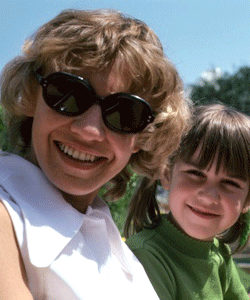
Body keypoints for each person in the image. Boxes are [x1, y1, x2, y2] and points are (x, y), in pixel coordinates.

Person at [0, 8, 190, 300]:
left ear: (143, 136)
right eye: (68, 94)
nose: (89, 130)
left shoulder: (112, 243)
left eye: (125, 113)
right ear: (30, 92)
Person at [126, 103, 250, 299]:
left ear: (247, 201)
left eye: (230, 183)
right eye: (195, 173)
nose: (209, 196)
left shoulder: (219, 253)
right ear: (167, 175)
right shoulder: (146, 257)